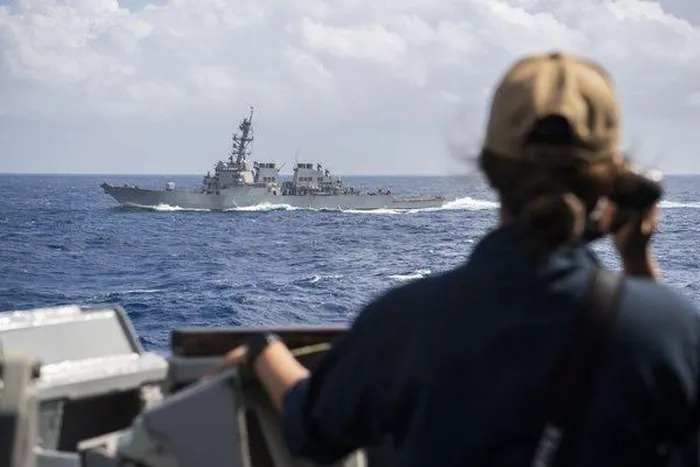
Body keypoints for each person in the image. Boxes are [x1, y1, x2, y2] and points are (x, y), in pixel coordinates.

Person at [214, 51, 700, 466]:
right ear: (613, 177)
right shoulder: (673, 332)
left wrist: (262, 350)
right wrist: (637, 261)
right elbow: (665, 351)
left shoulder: (403, 321)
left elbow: (311, 428)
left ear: (487, 166)